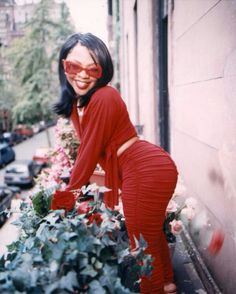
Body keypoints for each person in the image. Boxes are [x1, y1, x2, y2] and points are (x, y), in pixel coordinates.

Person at [53, 32, 178, 294]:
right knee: (150, 236)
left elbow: (87, 153)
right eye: (74, 66)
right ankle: (166, 284)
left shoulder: (104, 97)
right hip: (144, 166)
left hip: (144, 168)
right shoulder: (81, 103)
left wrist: (67, 197)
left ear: (103, 71)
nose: (83, 75)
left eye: (92, 68)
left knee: (141, 244)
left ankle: (154, 288)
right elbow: (89, 148)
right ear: (63, 65)